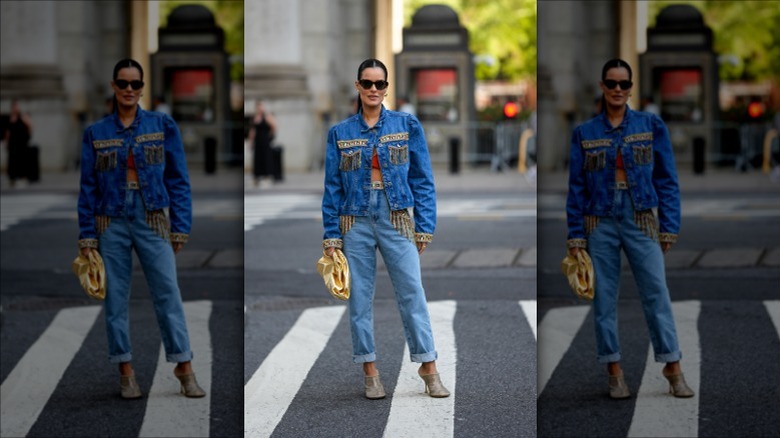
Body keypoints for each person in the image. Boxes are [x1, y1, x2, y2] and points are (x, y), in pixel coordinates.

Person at [321, 58, 449, 400]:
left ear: (387, 88)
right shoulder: (340, 132)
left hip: (396, 219)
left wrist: (424, 226)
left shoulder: (407, 125)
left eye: (380, 84)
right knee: (360, 298)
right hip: (355, 222)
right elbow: (332, 188)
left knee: (412, 293)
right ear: (358, 86)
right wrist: (331, 235)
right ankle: (370, 370)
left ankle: (429, 367)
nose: (374, 90)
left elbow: (423, 180)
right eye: (368, 83)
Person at [566, 58, 694, 399]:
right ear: (602, 86)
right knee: (604, 298)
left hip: (640, 218)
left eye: (624, 84)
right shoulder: (585, 132)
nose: (618, 90)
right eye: (612, 83)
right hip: (599, 222)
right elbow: (576, 188)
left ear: (632, 87)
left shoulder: (651, 125)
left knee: (657, 293)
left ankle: (673, 366)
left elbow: (667, 180)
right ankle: (614, 370)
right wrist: (575, 235)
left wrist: (669, 226)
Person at [77, 58, 205, 399]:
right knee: (116, 298)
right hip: (110, 222)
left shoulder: (163, 125)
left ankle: (184, 366)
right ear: (113, 86)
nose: (129, 90)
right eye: (123, 83)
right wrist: (87, 235)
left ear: (143, 88)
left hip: (152, 219)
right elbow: (87, 188)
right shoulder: (96, 132)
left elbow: (179, 180)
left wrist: (180, 226)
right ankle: (126, 370)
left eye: (136, 84)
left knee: (168, 293)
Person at [247, 100, 277, 187]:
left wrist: (270, 136)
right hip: (258, 141)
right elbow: (252, 130)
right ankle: (257, 177)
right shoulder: (254, 117)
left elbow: (274, 125)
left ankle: (267, 177)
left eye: (261, 106)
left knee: (266, 158)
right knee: (257, 159)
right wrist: (251, 141)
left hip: (265, 140)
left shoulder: (267, 116)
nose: (259, 108)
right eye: (258, 106)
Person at [4, 99, 32, 187]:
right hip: (13, 143)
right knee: (12, 161)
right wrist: (6, 141)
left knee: (21, 161)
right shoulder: (10, 118)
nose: (16, 108)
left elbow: (29, 127)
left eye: (17, 106)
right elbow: (7, 132)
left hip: (21, 143)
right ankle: (12, 178)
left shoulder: (22, 117)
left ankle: (22, 177)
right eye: (14, 107)